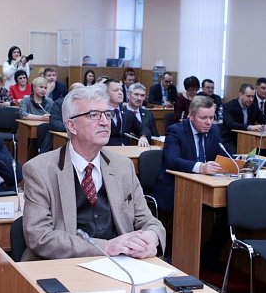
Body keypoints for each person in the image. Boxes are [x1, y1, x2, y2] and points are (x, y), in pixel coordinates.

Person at [21, 85, 165, 261]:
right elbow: (40, 237)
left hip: (120, 265)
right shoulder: (40, 170)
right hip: (63, 265)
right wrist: (106, 247)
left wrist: (151, 237)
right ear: (72, 126)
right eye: (94, 115)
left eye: (107, 114)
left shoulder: (123, 166)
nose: (105, 122)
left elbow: (149, 222)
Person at [153, 95, 225, 212]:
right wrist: (201, 167)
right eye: (203, 118)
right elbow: (172, 160)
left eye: (211, 117)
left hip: (205, 185)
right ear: (191, 115)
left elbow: (222, 154)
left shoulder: (214, 130)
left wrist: (239, 162)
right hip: (177, 187)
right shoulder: (175, 131)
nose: (208, 122)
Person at [220, 83, 266, 154]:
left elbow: (263, 120)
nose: (251, 99)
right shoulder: (229, 106)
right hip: (231, 139)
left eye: (253, 97)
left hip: (249, 140)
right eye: (248, 96)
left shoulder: (254, 106)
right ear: (240, 95)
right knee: (235, 155)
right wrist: (249, 127)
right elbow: (230, 123)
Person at [106, 80, 146, 147]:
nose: (120, 93)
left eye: (121, 90)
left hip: (126, 151)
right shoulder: (100, 113)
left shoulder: (128, 113)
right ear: (106, 93)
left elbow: (143, 129)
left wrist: (143, 136)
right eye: (116, 90)